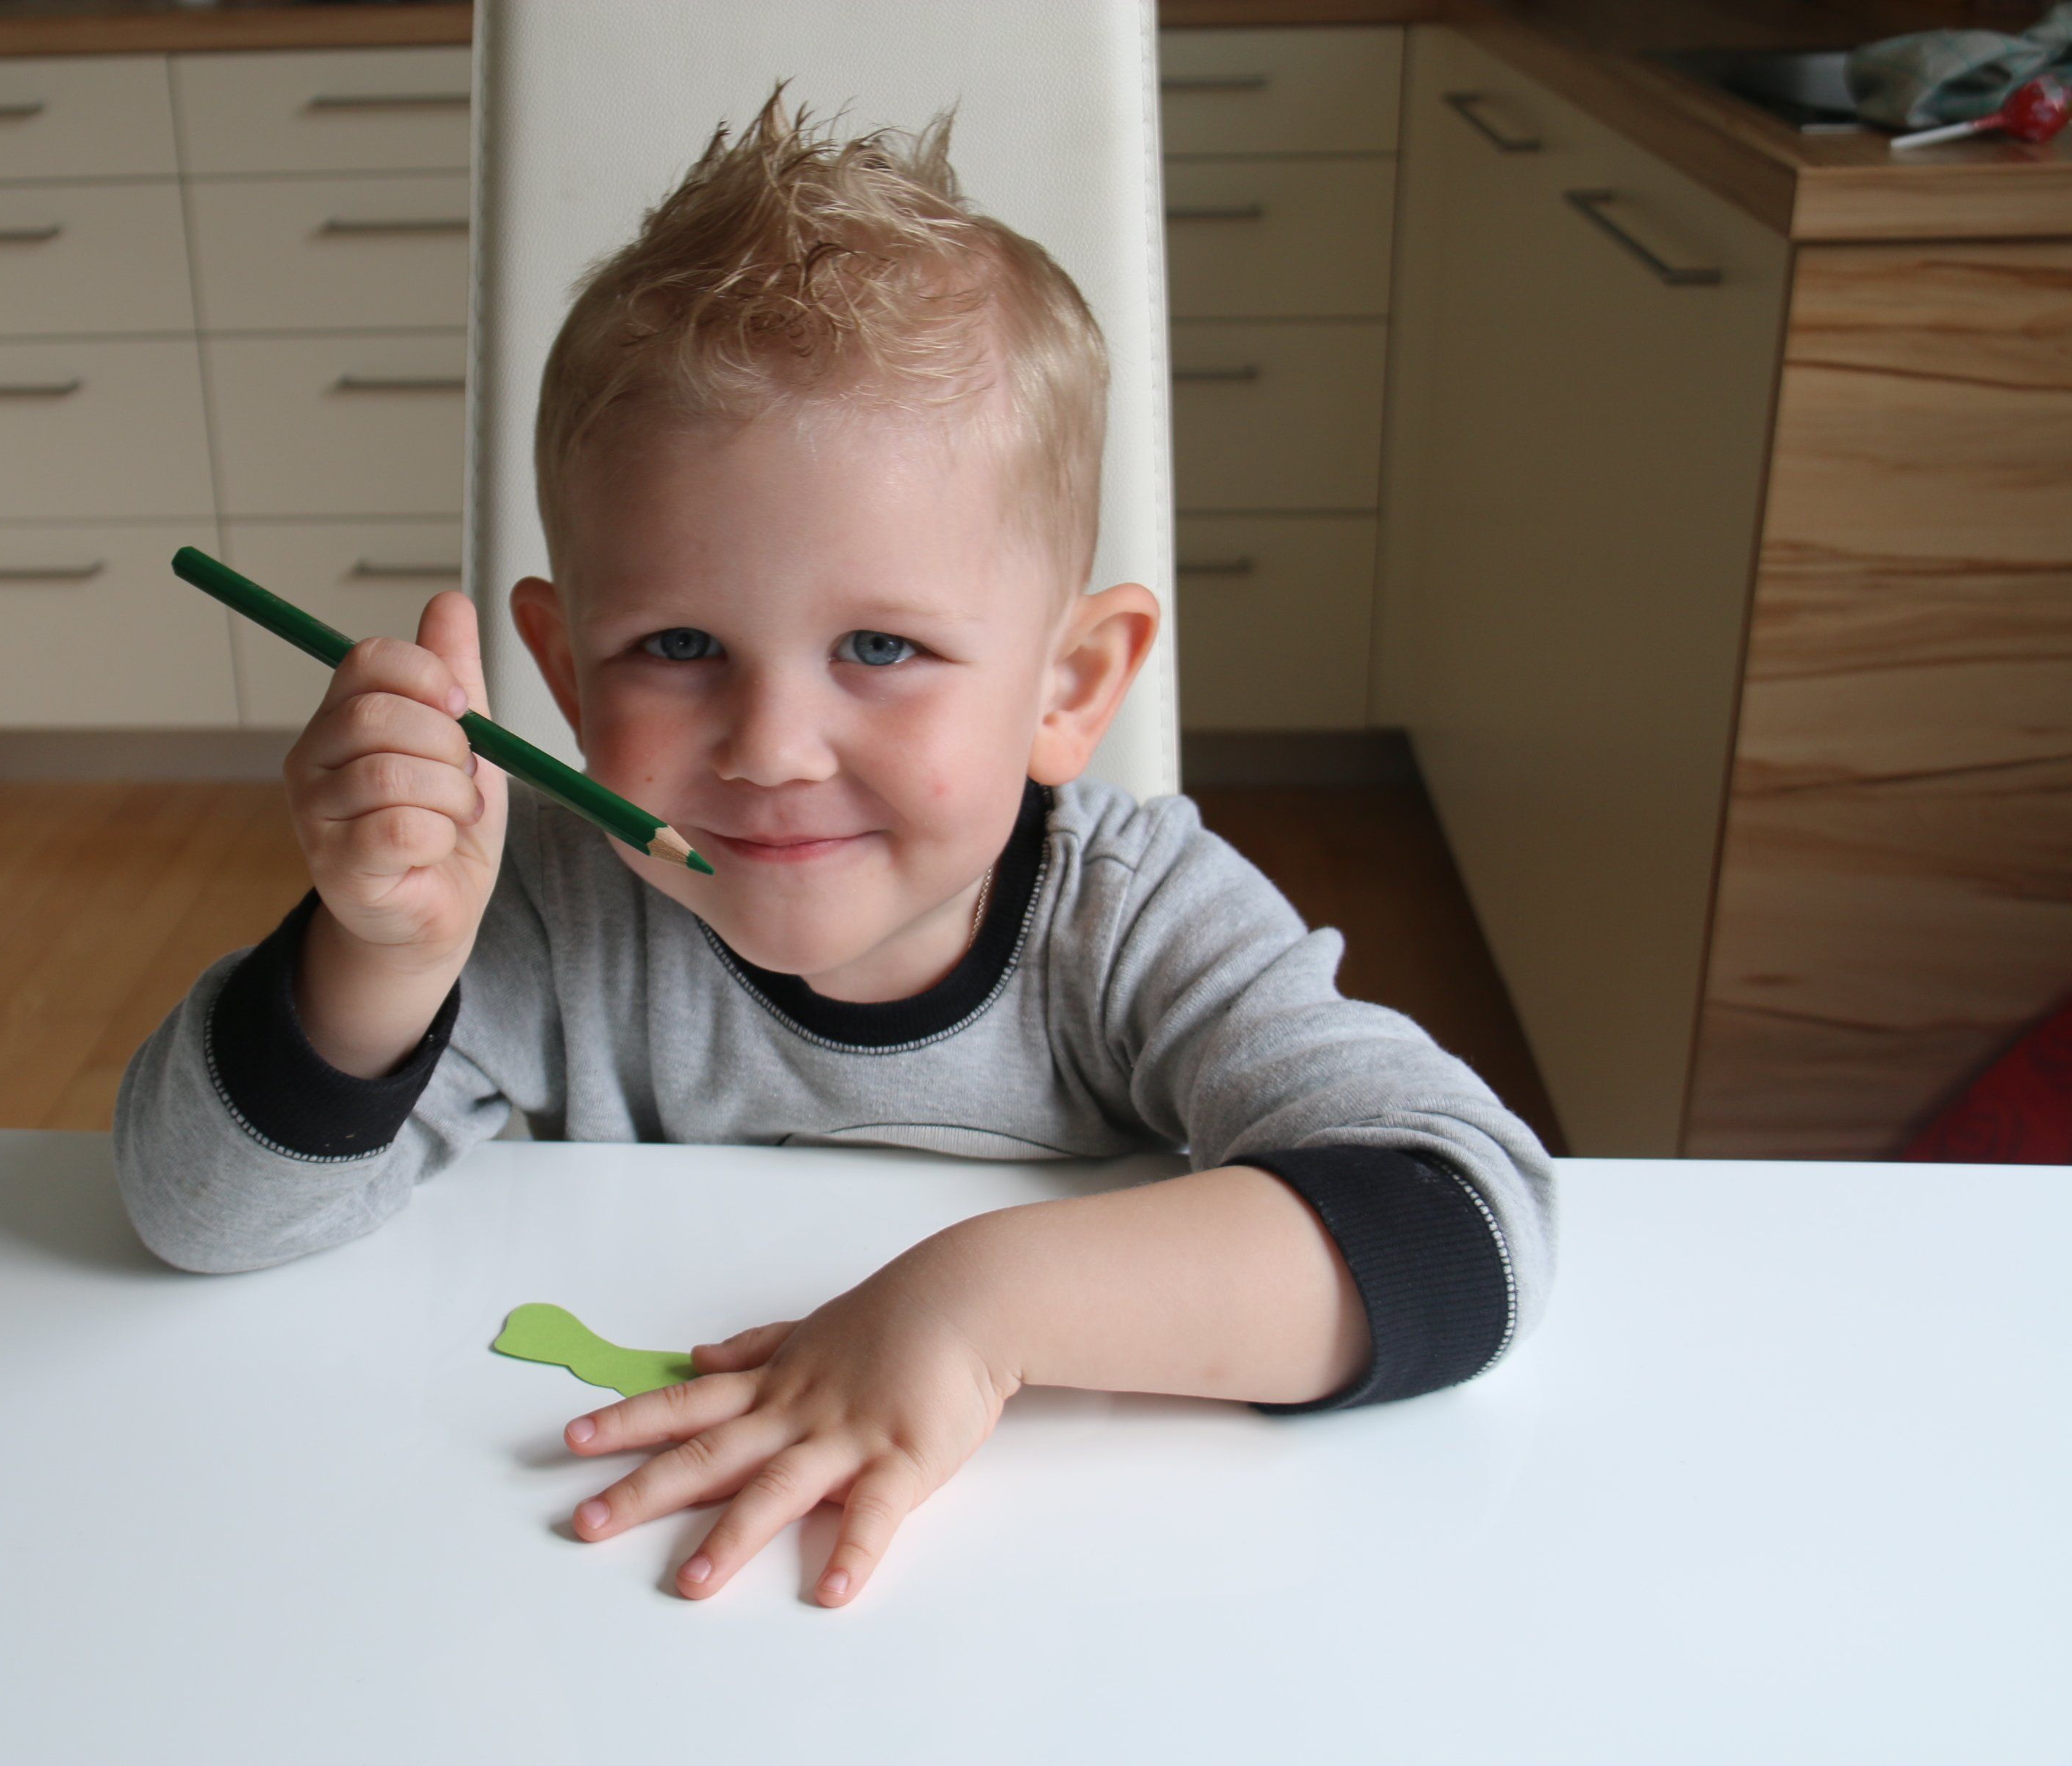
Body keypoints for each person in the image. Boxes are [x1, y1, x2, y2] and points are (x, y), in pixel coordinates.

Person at [115, 92, 1554, 1608]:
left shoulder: (1135, 922)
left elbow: (1461, 1230)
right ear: (563, 672)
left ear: (1069, 687)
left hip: (1056, 1603)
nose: (772, 746)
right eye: (678, 645)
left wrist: (976, 1306)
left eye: (880, 646)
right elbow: (201, 1217)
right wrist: (380, 959)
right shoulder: (536, 904)